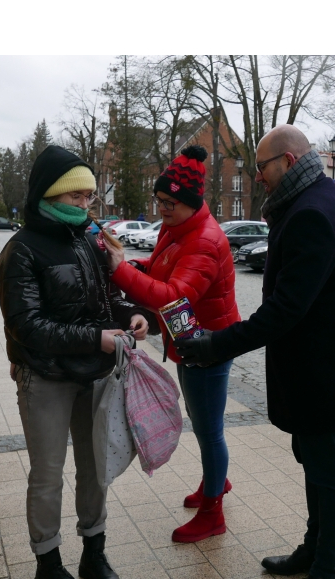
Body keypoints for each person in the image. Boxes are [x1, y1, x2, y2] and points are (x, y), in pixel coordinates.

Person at [175, 125, 335, 579]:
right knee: (315, 466)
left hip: (325, 374)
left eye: (260, 167)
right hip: (316, 371)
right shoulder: (312, 200)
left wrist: (216, 344)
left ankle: (328, 574)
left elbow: (286, 310)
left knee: (330, 474)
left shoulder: (313, 213)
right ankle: (314, 550)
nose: (257, 177)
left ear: (287, 160)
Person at [0, 145, 156, 579]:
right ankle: (48, 566)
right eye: (77, 197)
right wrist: (96, 338)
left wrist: (133, 317)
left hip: (94, 374)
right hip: (44, 376)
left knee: (93, 469)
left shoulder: (89, 240)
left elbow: (105, 302)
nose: (87, 206)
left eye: (89, 197)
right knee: (47, 475)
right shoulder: (21, 250)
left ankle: (94, 555)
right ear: (50, 195)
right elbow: (28, 326)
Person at [104, 145, 240, 544]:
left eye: (168, 201)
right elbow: (162, 270)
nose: (161, 208)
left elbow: (174, 295)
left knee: (210, 431)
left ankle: (213, 512)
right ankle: (217, 482)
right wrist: (128, 263)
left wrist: (121, 272)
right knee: (204, 426)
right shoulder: (178, 228)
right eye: (158, 200)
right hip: (191, 342)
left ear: (188, 202)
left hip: (208, 347)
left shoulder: (205, 241)